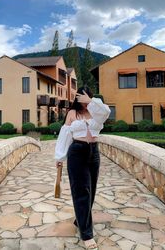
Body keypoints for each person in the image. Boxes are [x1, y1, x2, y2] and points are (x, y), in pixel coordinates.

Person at [55, 86, 111, 250]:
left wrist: (91, 102)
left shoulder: (97, 111)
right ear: (77, 98)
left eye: (87, 97)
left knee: (91, 191)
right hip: (77, 152)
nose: (84, 101)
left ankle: (80, 219)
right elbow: (65, 136)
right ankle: (87, 234)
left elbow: (106, 112)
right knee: (82, 191)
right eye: (82, 97)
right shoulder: (72, 114)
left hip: (93, 153)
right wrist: (60, 157)